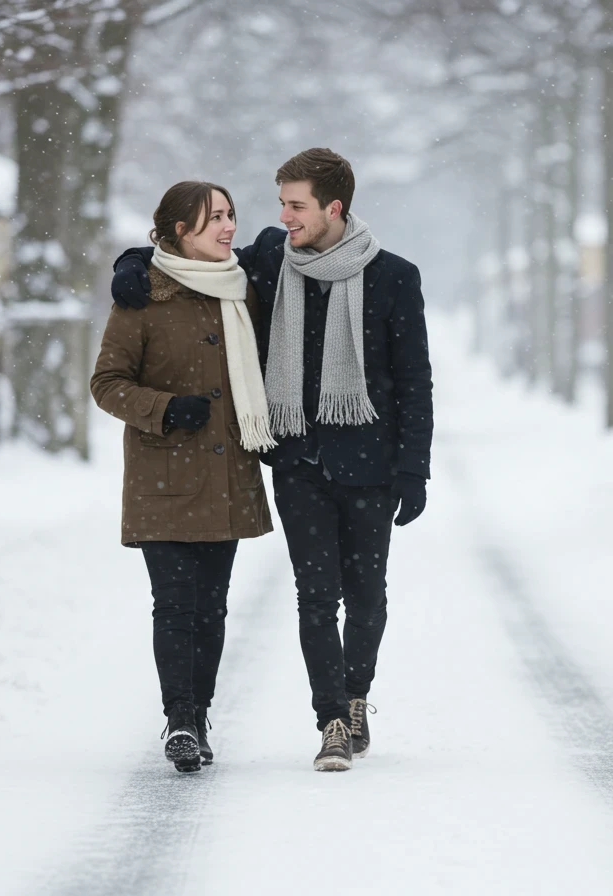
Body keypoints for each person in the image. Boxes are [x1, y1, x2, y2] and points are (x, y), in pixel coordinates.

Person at [110, 148, 434, 772]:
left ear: (333, 208)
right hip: (298, 460)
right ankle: (331, 720)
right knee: (315, 596)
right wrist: (127, 264)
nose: (282, 216)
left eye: (295, 205)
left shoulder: (394, 277)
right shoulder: (272, 263)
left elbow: (415, 381)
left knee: (367, 595)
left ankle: (357, 694)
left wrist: (412, 468)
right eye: (280, 203)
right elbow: (185, 259)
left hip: (369, 459)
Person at [90, 181, 275, 773]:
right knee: (174, 603)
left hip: (226, 475)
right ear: (178, 232)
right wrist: (164, 409)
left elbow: (288, 253)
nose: (227, 228)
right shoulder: (141, 297)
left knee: (212, 607)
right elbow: (107, 383)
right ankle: (181, 719)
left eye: (230, 215)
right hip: (164, 476)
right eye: (212, 219)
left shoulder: (246, 287)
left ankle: (198, 713)